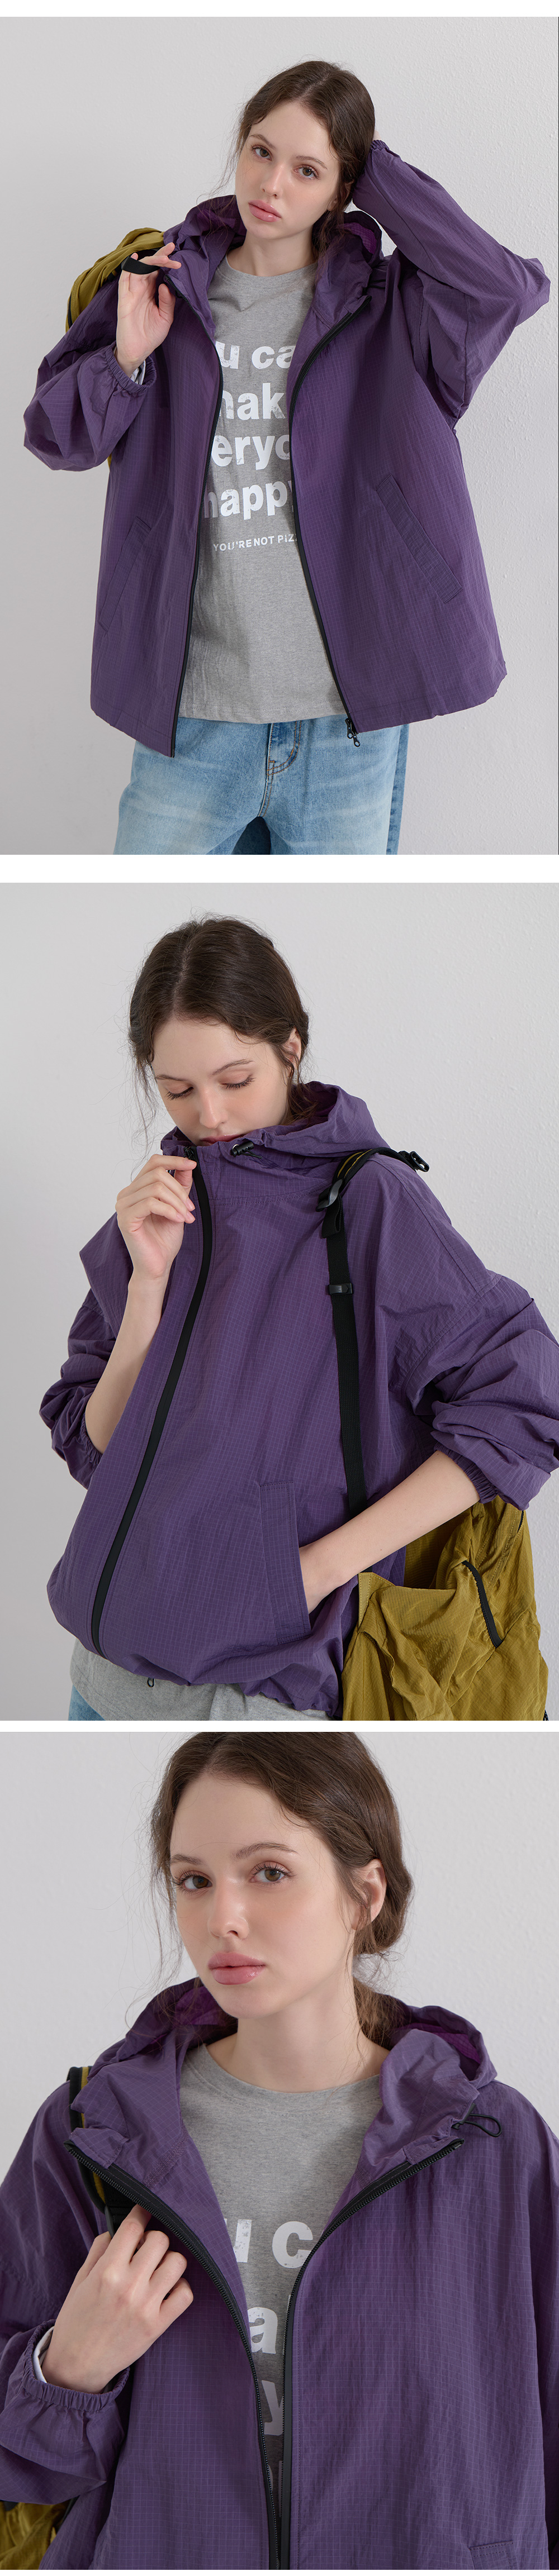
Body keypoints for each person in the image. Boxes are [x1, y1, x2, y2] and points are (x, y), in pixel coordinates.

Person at [1, 1730, 557, 2570]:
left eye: (268, 1872)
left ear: (363, 1893)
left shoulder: (494, 2145)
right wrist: (65, 2371)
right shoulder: (94, 2132)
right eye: (193, 1880)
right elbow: (24, 2471)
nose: (221, 1918)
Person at [39, 915, 559, 1721]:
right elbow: (100, 1448)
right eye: (178, 1090)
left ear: (291, 1048)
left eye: (235, 1079)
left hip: (259, 1692)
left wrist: (313, 1572)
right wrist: (146, 1287)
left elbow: (524, 1401)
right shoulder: (161, 1205)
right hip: (100, 1679)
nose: (210, 1115)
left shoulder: (369, 1201)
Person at [23, 61, 549, 858]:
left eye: (309, 170)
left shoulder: (391, 310)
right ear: (241, 146)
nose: (271, 184)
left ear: (343, 189)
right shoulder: (163, 286)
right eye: (262, 152)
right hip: (195, 716)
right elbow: (56, 437)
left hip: (347, 722)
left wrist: (378, 169)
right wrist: (126, 356)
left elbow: (505, 290)